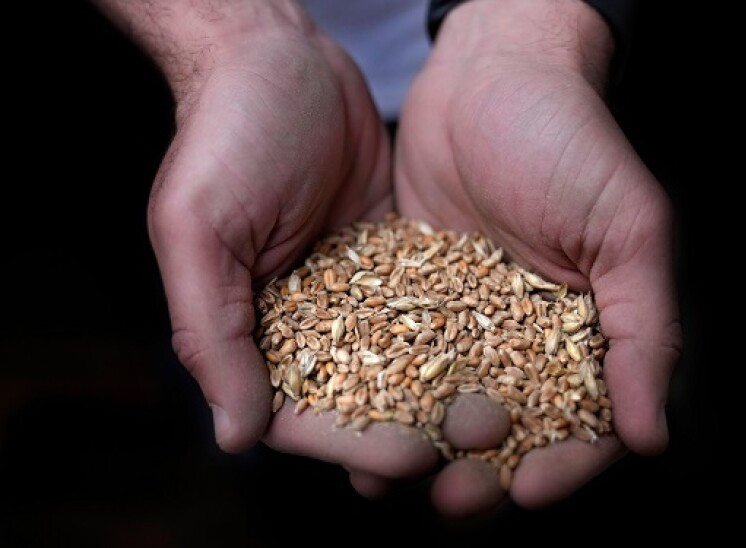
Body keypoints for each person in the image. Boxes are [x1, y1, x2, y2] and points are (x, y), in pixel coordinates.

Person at [89, 0, 682, 517]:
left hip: (548, 81)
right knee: (234, 378)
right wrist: (225, 33)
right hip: (245, 104)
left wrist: (538, 26)